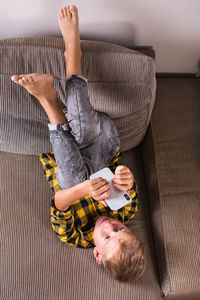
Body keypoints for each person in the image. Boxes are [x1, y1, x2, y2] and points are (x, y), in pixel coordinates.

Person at [11, 5, 146, 282]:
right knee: (86, 137)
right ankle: (65, 66)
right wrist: (124, 176)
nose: (110, 225)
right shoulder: (126, 208)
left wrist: (84, 188)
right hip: (103, 140)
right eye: (120, 228)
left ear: (97, 254)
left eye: (107, 237)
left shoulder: (73, 236)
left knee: (72, 178)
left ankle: (63, 72)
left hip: (69, 158)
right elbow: (125, 180)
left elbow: (59, 202)